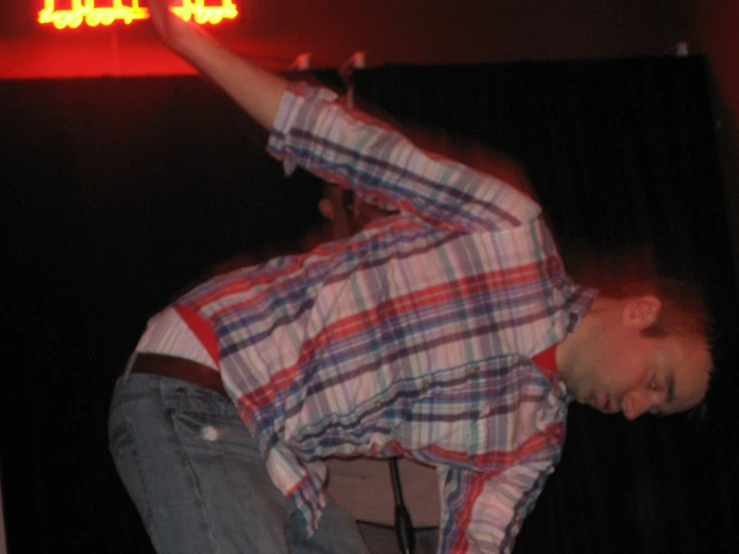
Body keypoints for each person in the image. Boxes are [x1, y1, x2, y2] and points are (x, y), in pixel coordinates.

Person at [107, 2, 714, 553]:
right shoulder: (510, 231)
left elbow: (477, 541)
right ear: (640, 311)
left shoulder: (532, 440)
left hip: (285, 466)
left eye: (653, 410)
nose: (633, 410)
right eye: (655, 383)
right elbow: (347, 144)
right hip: (203, 388)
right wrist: (184, 39)